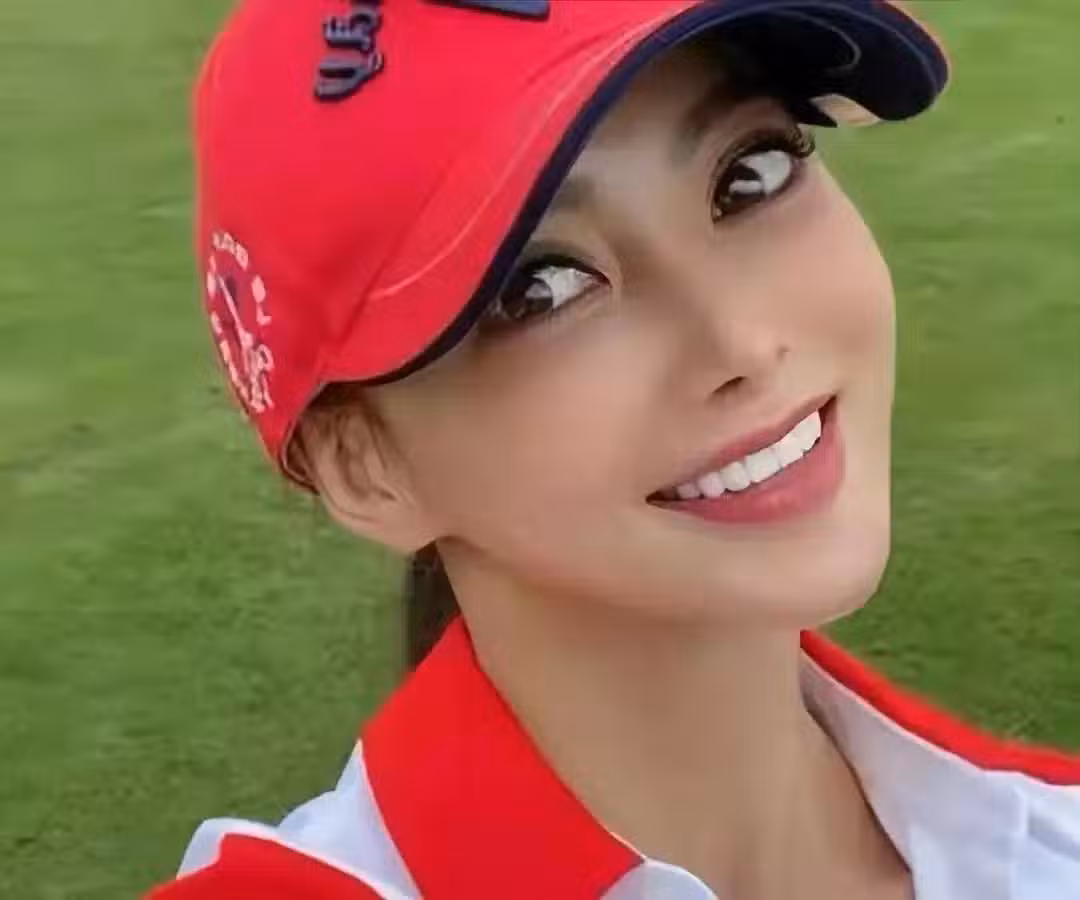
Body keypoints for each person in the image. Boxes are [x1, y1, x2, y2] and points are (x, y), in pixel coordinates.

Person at [148, 1, 1080, 898]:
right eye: (544, 287)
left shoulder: (1048, 833)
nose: (741, 341)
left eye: (749, 175)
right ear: (364, 466)